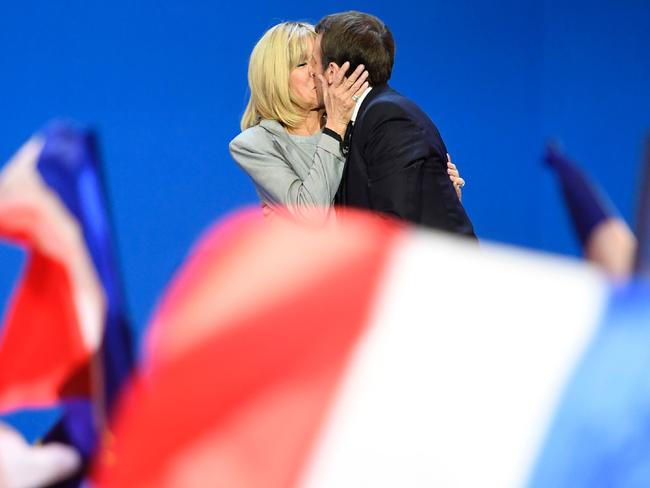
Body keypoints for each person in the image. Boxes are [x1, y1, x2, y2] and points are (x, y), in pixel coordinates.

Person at [230, 22, 466, 221]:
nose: (316, 72)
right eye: (302, 64)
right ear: (275, 77)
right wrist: (334, 127)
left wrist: (437, 192)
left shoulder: (361, 122)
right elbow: (313, 215)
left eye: (316, 60)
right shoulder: (255, 144)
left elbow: (385, 202)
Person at [311, 12, 476, 237]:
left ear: (331, 72)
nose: (310, 72)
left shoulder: (389, 119)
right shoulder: (367, 117)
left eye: (312, 61)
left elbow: (395, 224)